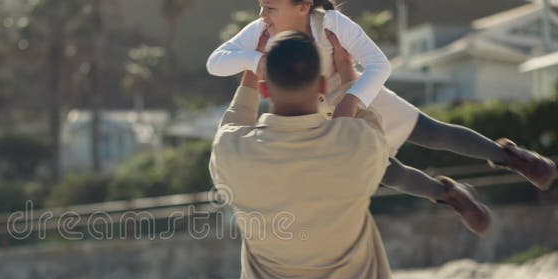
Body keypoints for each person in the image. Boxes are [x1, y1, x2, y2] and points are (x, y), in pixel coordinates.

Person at [208, 0, 557, 235]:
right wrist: (258, 61)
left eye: (269, 6)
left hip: (357, 91)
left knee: (433, 133)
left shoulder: (330, 22)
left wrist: (352, 100)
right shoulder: (261, 30)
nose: (263, 13)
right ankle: (449, 194)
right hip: (313, 114)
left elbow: (380, 64)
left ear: (302, 6)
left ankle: (513, 158)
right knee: (387, 172)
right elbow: (216, 61)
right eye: (260, 6)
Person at [209, 31, 401, 279]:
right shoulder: (357, 145)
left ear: (265, 85)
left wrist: (249, 71)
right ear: (321, 84)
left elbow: (233, 122)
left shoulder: (233, 153)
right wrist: (349, 80)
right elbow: (359, 126)